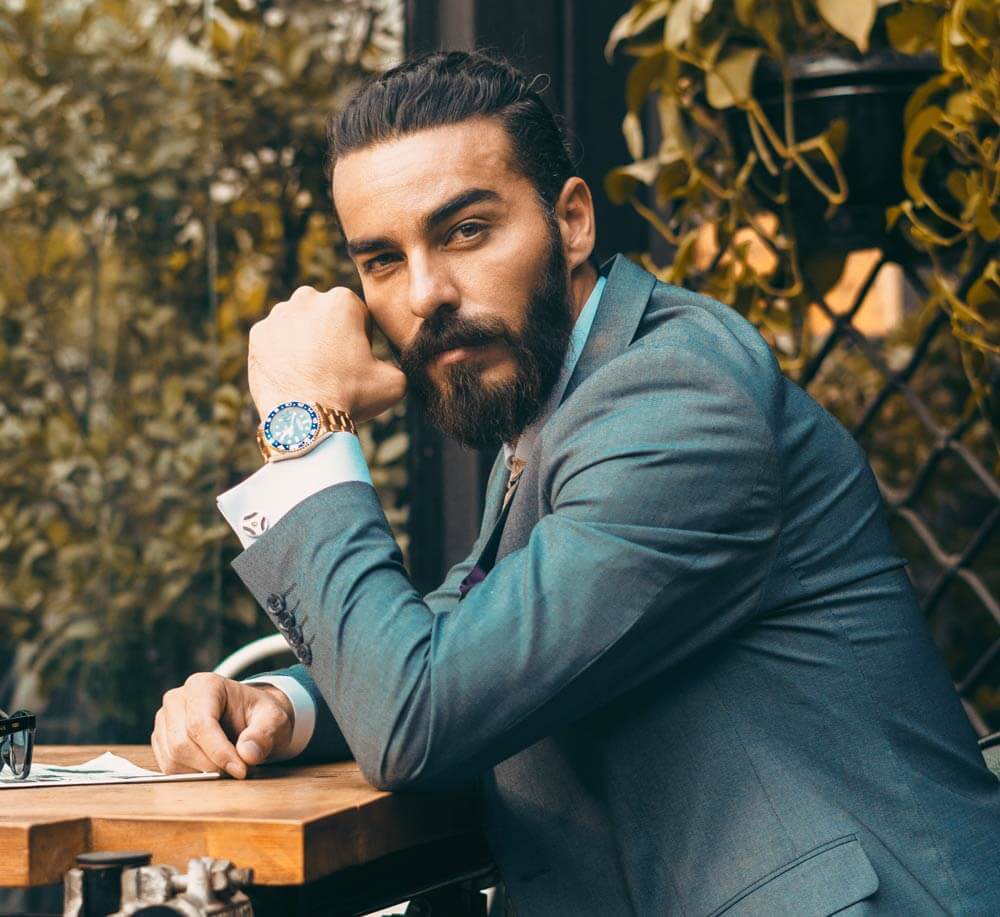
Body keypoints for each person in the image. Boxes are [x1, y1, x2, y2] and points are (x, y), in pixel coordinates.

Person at [151, 51, 1000, 915]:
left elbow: (418, 717)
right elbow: (465, 639)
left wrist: (304, 430)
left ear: (573, 221)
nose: (426, 293)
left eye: (465, 231)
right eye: (381, 261)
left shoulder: (674, 400)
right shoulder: (562, 402)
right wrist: (278, 706)